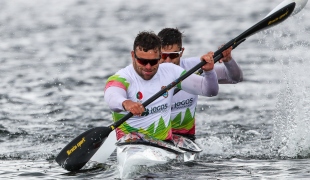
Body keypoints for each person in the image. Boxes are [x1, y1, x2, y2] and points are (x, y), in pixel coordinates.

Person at [104, 31, 219, 142]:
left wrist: (209, 72)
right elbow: (112, 96)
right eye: (143, 61)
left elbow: (210, 91)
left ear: (160, 57)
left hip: (165, 145)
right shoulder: (122, 78)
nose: (148, 67)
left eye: (154, 62)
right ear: (133, 55)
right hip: (130, 143)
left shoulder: (171, 71)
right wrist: (126, 103)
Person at [158, 27, 243, 141]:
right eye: (163, 56)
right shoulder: (148, 72)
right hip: (156, 137)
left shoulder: (195, 66)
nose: (168, 61)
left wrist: (228, 60)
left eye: (173, 55)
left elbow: (234, 78)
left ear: (181, 52)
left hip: (186, 138)